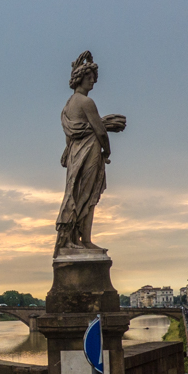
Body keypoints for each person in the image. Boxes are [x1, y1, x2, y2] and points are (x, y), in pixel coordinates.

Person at [53, 51, 125, 256]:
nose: (93, 82)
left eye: (94, 79)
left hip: (76, 152)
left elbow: (70, 136)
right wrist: (107, 151)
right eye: (90, 78)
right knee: (87, 195)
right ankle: (82, 240)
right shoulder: (86, 103)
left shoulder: (68, 105)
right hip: (89, 150)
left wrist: (68, 152)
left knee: (76, 193)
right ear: (80, 79)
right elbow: (100, 131)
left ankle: (80, 240)